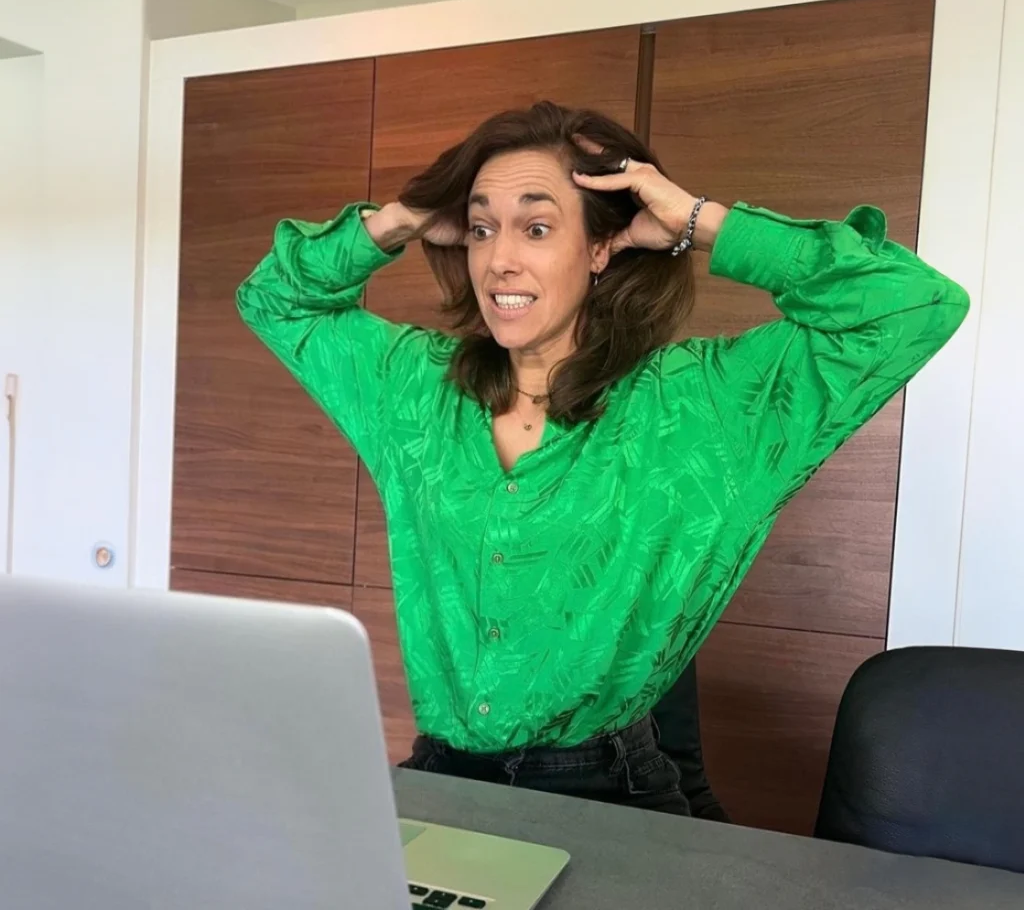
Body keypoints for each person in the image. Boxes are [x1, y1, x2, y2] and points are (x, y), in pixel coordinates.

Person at [237, 101, 968, 815]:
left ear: (597, 249)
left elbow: (914, 304)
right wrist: (403, 218)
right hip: (441, 777)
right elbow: (273, 300)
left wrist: (696, 221)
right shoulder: (414, 389)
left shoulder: (706, 407)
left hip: (604, 795)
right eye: (483, 229)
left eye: (536, 227)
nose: (499, 260)